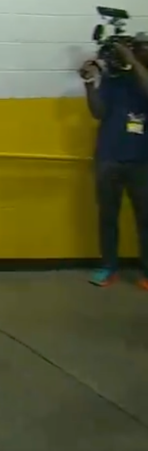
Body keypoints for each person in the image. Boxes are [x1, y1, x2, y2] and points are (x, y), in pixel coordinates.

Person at [80, 31, 148, 290]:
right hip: (108, 159)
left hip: (141, 162)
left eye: (140, 48)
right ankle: (108, 267)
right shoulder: (113, 79)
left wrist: (132, 61)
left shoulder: (141, 79)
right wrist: (89, 84)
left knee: (146, 218)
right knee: (108, 217)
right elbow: (98, 112)